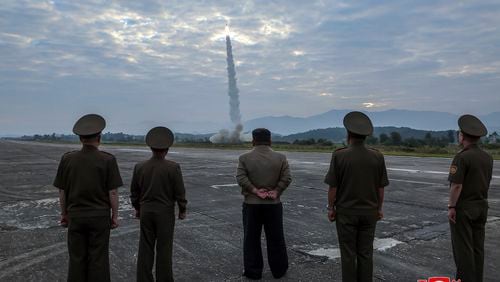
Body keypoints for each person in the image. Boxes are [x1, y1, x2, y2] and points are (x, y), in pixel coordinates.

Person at [53, 114, 123, 282]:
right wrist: (114, 216)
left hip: (76, 216)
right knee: (99, 261)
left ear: (80, 139)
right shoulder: (107, 159)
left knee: (76, 261)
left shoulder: (67, 159)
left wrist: (64, 214)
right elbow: (112, 192)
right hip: (99, 218)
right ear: (99, 137)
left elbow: (62, 191)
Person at [324, 111, 389, 282]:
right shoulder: (377, 156)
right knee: (366, 253)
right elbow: (380, 188)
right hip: (369, 212)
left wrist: (331, 208)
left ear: (348, 134)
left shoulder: (339, 155)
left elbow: (333, 187)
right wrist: (379, 209)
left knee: (348, 254)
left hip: (346, 213)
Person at [130, 126, 187, 282]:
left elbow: (134, 192)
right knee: (164, 249)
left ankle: (143, 278)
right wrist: (182, 209)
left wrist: (137, 208)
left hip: (146, 211)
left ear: (151, 148)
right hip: (165, 213)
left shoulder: (140, 167)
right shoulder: (173, 167)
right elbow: (179, 192)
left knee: (145, 247)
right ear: (167, 149)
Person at [236, 128, 292, 280]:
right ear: (270, 140)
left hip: (251, 204)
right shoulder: (281, 157)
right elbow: (287, 178)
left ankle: (253, 271)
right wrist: (276, 191)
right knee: (276, 238)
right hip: (273, 204)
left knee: (251, 239)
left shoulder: (244, 158)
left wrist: (254, 190)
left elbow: (241, 177)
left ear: (253, 140)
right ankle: (279, 270)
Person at [448, 114, 493, 282]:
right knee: (477, 248)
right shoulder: (487, 157)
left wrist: (451, 207)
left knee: (463, 250)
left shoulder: (462, 157)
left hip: (465, 208)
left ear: (463, 136)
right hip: (481, 206)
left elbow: (456, 185)